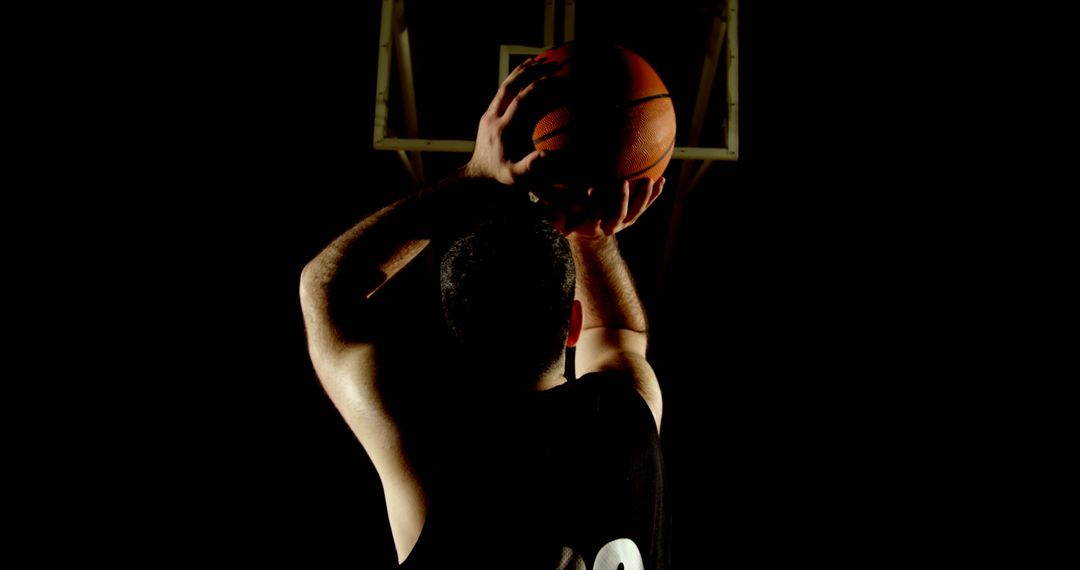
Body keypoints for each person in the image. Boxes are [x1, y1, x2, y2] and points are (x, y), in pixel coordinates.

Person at [299, 59, 668, 569]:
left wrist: (475, 178)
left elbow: (325, 288)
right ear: (573, 324)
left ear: (455, 328)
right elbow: (620, 332)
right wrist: (593, 236)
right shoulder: (627, 420)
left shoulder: (434, 450)